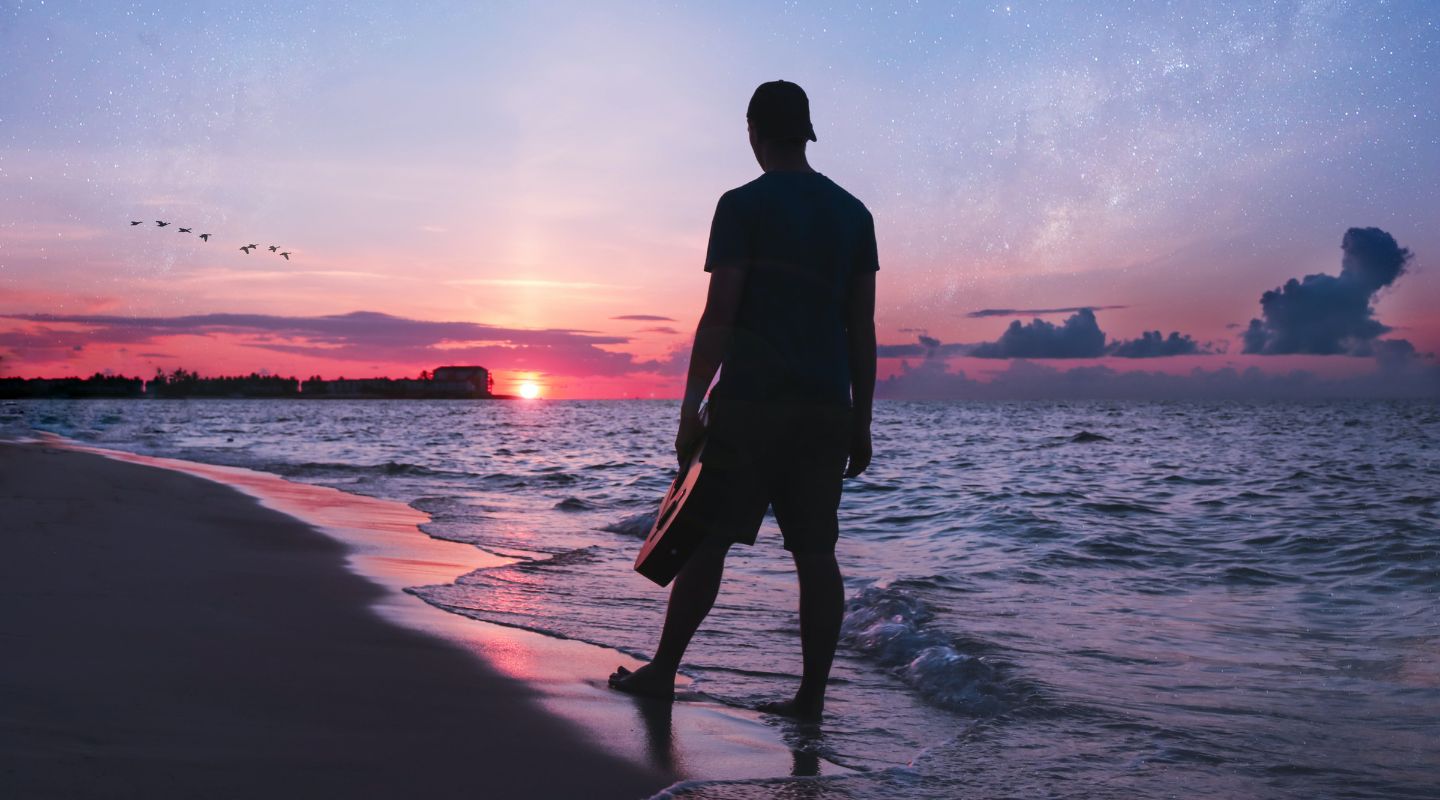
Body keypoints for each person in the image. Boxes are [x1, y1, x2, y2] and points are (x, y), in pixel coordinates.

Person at [609, 80, 878, 721]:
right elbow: (861, 328)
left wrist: (688, 410)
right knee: (816, 552)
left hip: (751, 403)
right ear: (806, 132)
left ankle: (664, 673)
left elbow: (720, 313)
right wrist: (861, 423)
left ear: (755, 133)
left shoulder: (741, 205)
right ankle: (810, 698)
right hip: (823, 407)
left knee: (709, 542)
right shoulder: (854, 213)